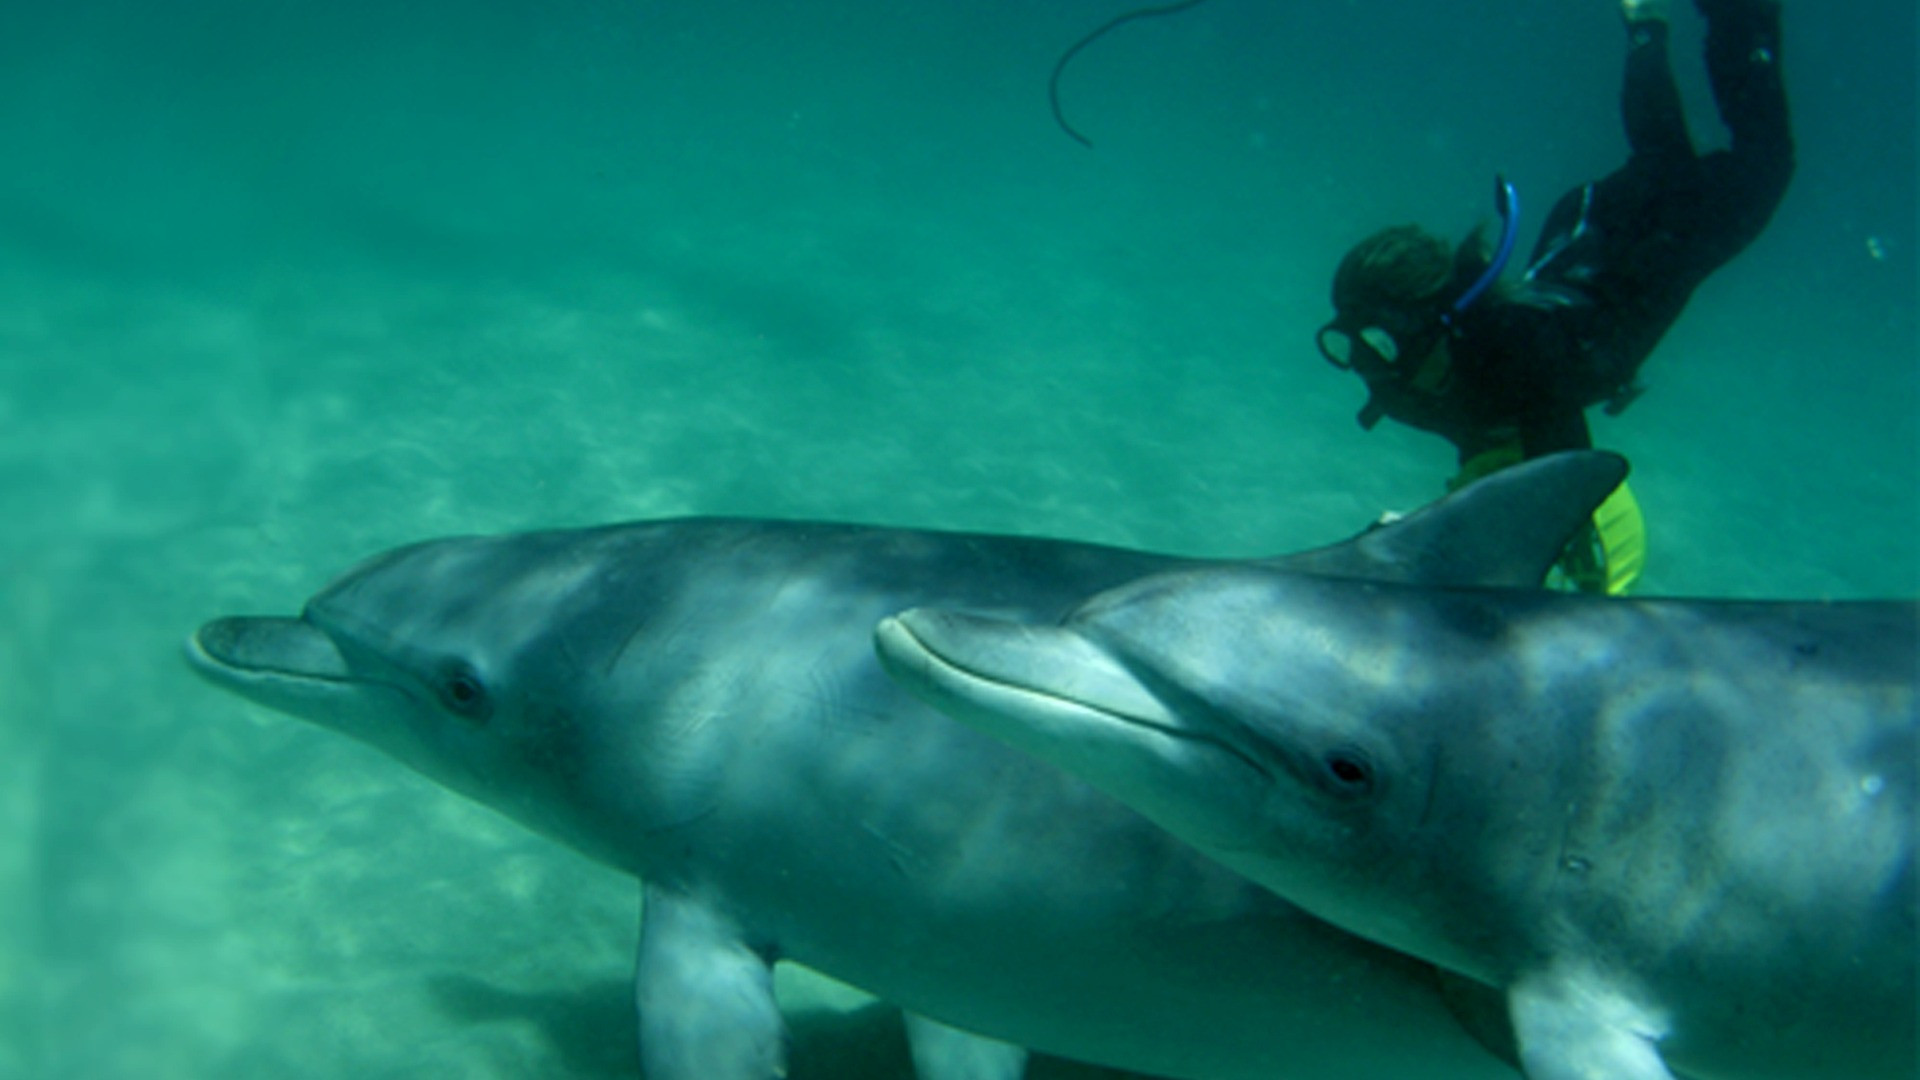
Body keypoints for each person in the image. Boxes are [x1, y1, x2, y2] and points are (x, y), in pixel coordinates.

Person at [1314, 0, 1793, 593]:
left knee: (1764, 165)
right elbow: (1484, 444)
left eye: (1377, 342)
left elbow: (1561, 478)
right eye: (1351, 341)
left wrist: (1574, 552)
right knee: (1660, 161)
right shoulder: (1423, 375)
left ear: (1438, 322)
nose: (1365, 363)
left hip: (1647, 241)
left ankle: (1736, 14)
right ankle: (1647, 27)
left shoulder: (1525, 363)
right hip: (1589, 234)